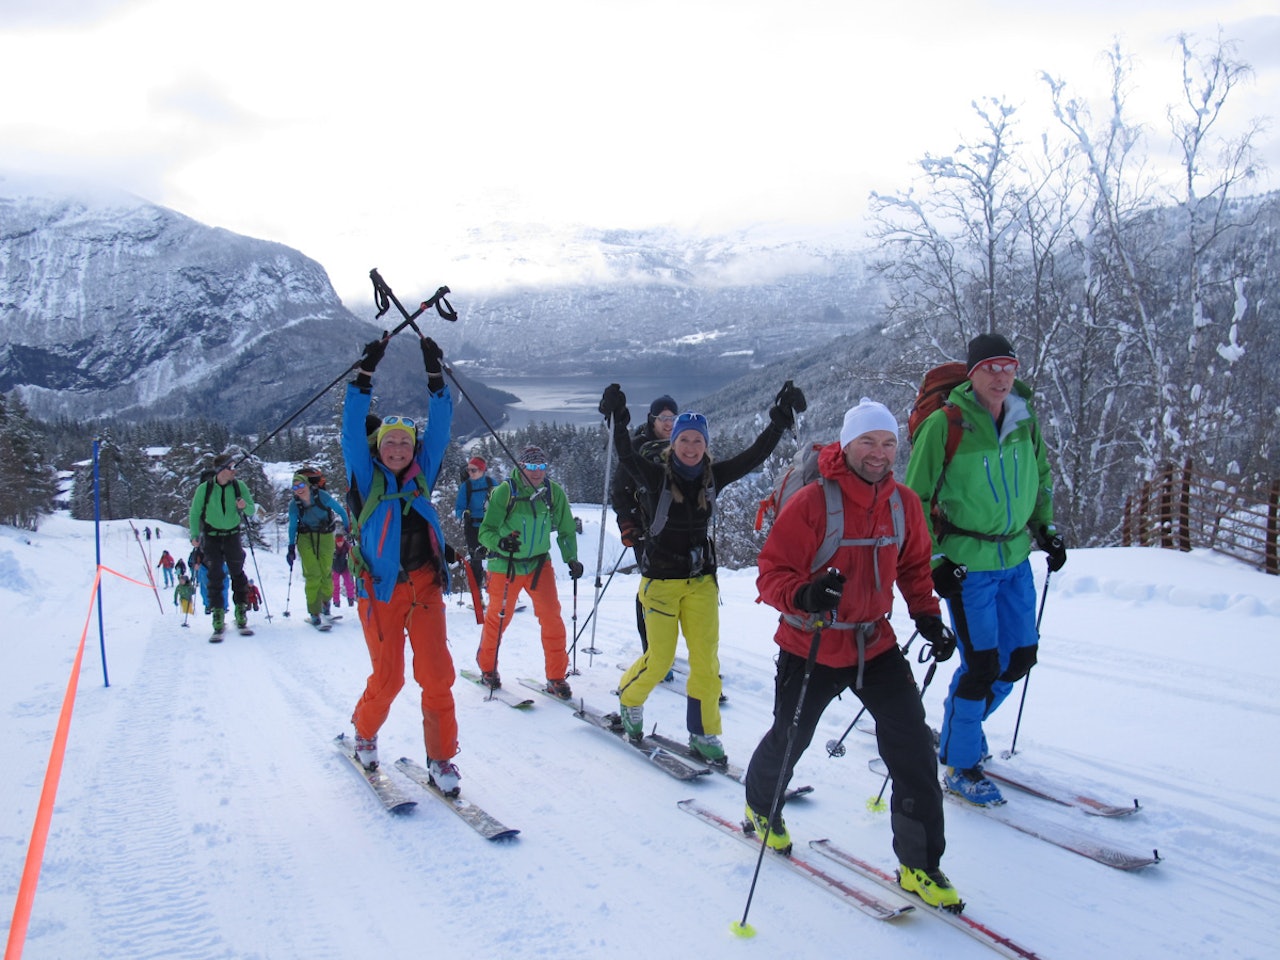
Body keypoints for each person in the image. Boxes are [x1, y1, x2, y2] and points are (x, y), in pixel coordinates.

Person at [743, 397, 961, 908]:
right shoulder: (813, 502)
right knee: (790, 737)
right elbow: (771, 573)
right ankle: (759, 806)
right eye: (868, 441)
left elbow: (914, 568)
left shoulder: (903, 503)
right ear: (847, 443)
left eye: (888, 443)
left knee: (911, 749)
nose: (880, 453)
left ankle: (920, 865)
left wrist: (928, 617)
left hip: (873, 642)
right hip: (811, 641)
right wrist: (806, 595)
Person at [597, 380, 804, 763]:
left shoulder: (712, 476)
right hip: (659, 582)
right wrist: (617, 418)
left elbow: (755, 455)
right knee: (659, 659)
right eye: (684, 440)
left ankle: (703, 733)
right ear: (673, 443)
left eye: (698, 440)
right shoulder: (655, 475)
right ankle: (630, 699)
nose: (691, 447)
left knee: (706, 660)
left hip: (701, 582)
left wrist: (779, 419)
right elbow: (625, 454)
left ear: (705, 444)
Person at [903, 333, 1065, 807]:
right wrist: (935, 559)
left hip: (1015, 560)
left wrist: (1046, 528)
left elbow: (1041, 478)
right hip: (966, 567)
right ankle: (960, 762)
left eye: (1007, 366)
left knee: (1019, 659)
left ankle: (963, 730)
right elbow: (916, 500)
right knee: (981, 666)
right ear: (972, 373)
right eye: (990, 367)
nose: (1000, 375)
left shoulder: (1023, 420)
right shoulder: (946, 425)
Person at [343, 332, 462, 796]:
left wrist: (436, 375)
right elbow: (351, 429)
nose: (398, 449)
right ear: (378, 447)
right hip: (380, 591)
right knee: (388, 679)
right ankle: (365, 730)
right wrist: (364, 375)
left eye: (405, 443)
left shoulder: (421, 473)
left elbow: (442, 427)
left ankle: (443, 758)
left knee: (437, 676)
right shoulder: (365, 474)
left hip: (425, 586)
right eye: (390, 442)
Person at [474, 445, 582, 698]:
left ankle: (556, 677)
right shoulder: (505, 492)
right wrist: (499, 542)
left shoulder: (552, 493)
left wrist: (572, 558)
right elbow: (486, 530)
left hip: (538, 565)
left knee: (552, 618)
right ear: (520, 466)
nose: (537, 472)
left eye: (542, 467)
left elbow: (566, 527)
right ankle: (488, 668)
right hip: (506, 564)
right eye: (531, 466)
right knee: (499, 619)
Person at [610, 394, 677, 655]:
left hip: (677, 529)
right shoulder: (637, 446)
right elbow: (619, 491)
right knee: (651, 588)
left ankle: (667, 646)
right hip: (644, 530)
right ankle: (651, 648)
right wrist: (627, 524)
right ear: (653, 419)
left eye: (673, 418)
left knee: (678, 589)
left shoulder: (682, 443)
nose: (669, 423)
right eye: (663, 418)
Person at [188, 458, 257, 635]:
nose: (235, 470)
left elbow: (251, 510)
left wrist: (244, 507)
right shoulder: (205, 489)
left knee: (237, 572)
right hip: (212, 536)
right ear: (221, 470)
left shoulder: (238, 486)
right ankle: (218, 614)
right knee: (215, 574)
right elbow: (195, 513)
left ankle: (241, 609)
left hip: (232, 535)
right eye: (231, 467)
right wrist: (194, 535)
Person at [286, 471, 350, 627]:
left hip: (326, 536)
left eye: (301, 485)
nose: (299, 489)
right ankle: (314, 612)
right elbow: (293, 525)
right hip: (306, 538)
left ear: (307, 485)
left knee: (326, 572)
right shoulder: (294, 505)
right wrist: (291, 546)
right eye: (295, 487)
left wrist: (348, 527)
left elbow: (340, 510)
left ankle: (325, 604)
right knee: (312, 574)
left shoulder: (321, 496)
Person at [455, 456, 498, 593]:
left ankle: (497, 590)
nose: (470, 473)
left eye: (474, 470)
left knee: (495, 558)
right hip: (472, 527)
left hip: (491, 526)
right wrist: (464, 514)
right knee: (476, 559)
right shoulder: (465, 487)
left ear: (482, 470)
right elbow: (459, 508)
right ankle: (477, 592)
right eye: (469, 470)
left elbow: (501, 503)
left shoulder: (492, 483)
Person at [331, 532, 356, 607]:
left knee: (349, 583)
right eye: (338, 542)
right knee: (335, 585)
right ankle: (336, 602)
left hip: (345, 567)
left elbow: (352, 555)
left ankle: (351, 600)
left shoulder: (347, 547)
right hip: (335, 568)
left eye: (341, 542)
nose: (340, 543)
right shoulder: (332, 547)